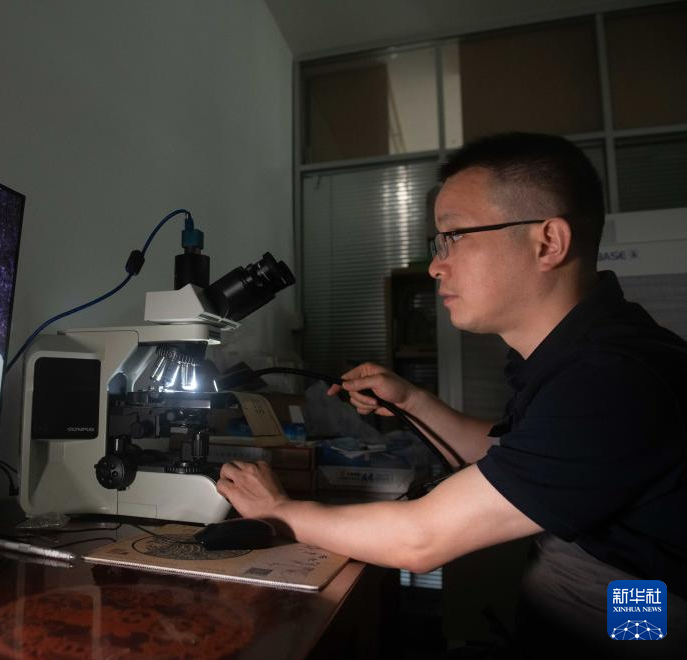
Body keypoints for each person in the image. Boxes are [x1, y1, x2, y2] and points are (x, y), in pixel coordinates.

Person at [216, 132, 687, 655]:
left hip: (639, 620)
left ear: (548, 242)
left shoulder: (611, 379)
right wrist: (410, 401)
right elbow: (521, 458)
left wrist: (280, 510)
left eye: (454, 236)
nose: (436, 265)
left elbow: (421, 539)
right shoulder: (578, 354)